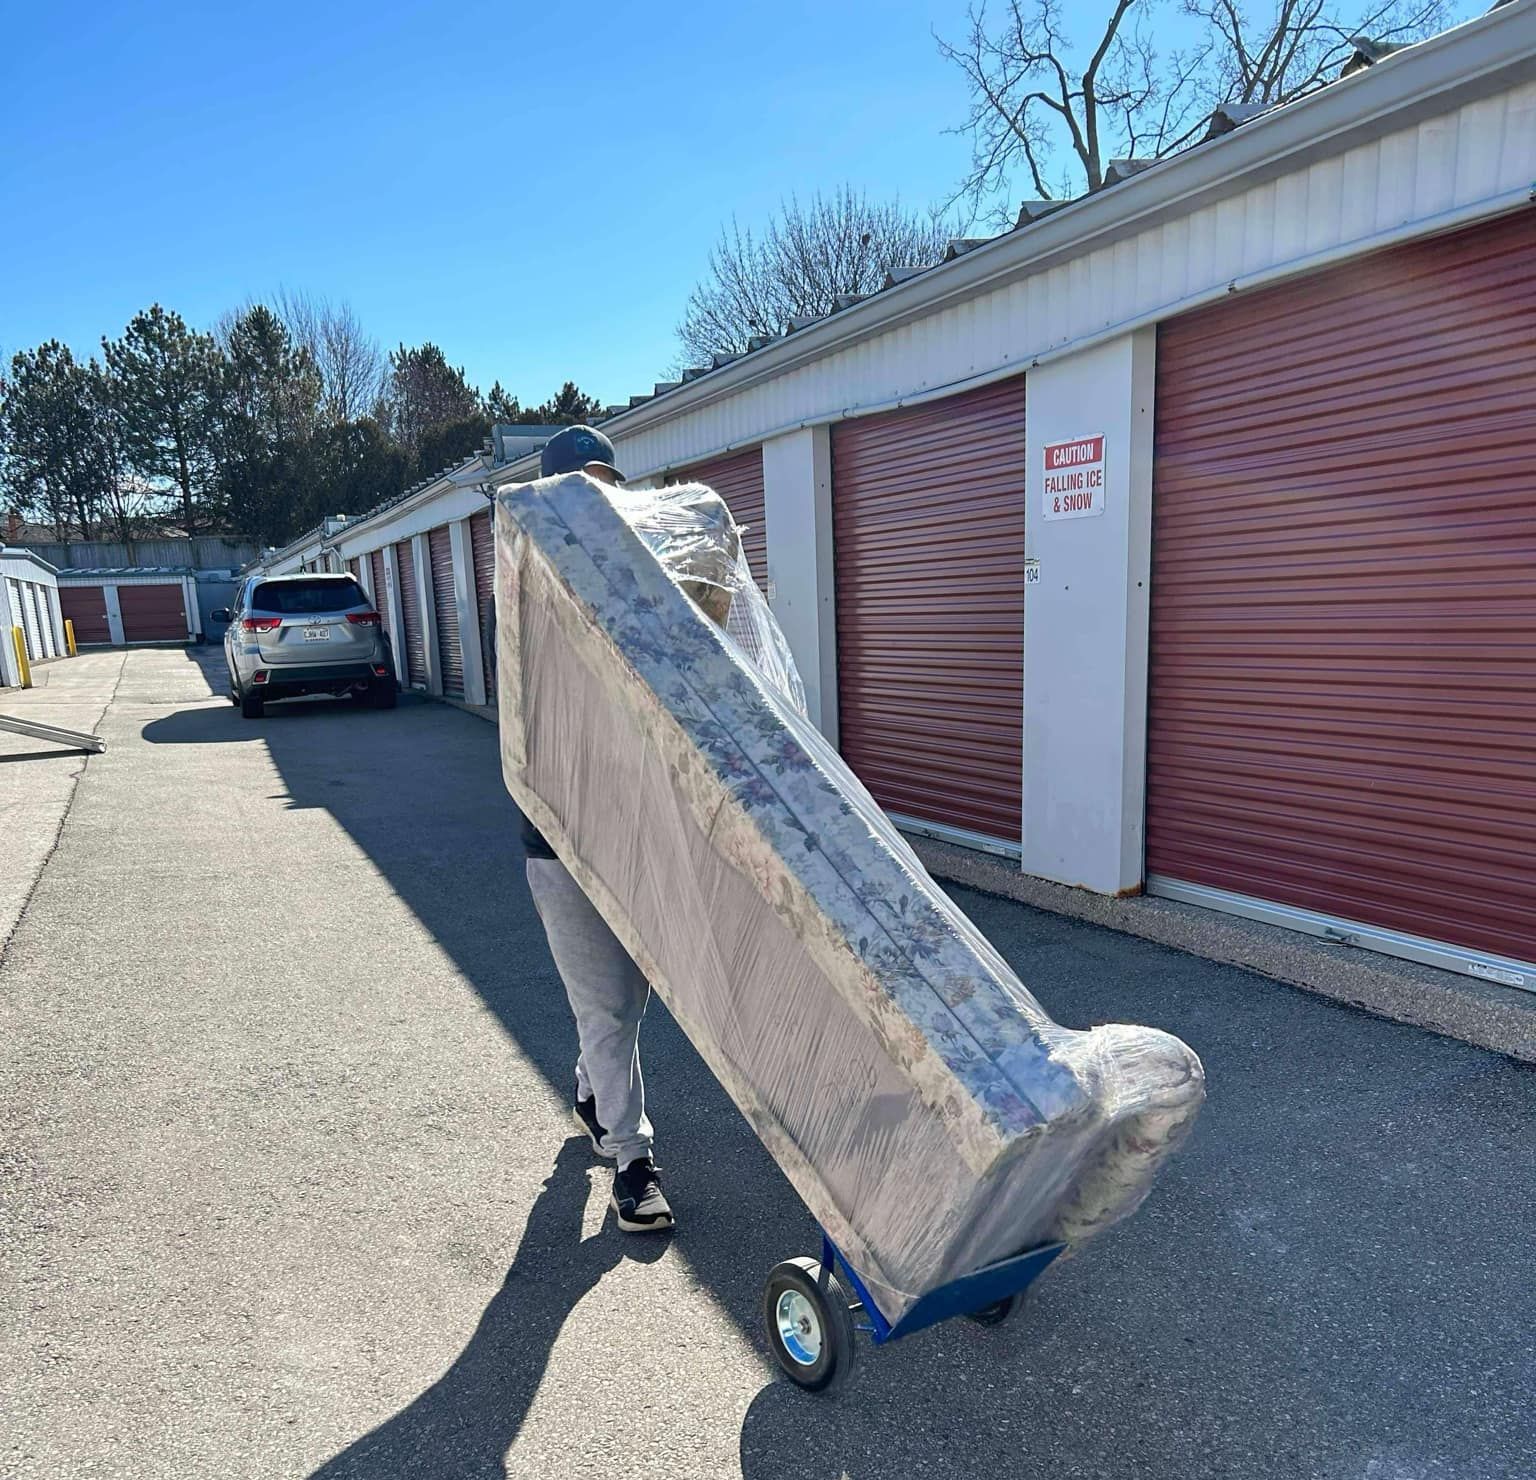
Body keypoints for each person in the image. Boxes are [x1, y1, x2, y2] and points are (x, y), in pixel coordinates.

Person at [518, 425, 674, 1234]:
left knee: (630, 1000)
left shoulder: (641, 591)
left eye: (608, 487)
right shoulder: (527, 590)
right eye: (582, 489)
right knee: (605, 1005)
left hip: (639, 828)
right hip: (560, 833)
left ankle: (589, 1085)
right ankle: (630, 1159)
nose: (598, 502)